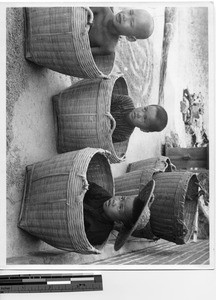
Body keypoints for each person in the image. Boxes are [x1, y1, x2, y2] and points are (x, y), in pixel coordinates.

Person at [83, 180, 155, 251]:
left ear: (118, 222)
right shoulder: (102, 195)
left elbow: (76, 236)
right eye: (121, 198)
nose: (115, 201)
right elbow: (83, 183)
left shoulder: (99, 234)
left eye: (120, 207)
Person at [88, 7, 154, 56]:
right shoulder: (103, 10)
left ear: (130, 37)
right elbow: (81, 10)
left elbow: (83, 53)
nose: (125, 16)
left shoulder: (108, 47)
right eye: (130, 12)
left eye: (131, 23)